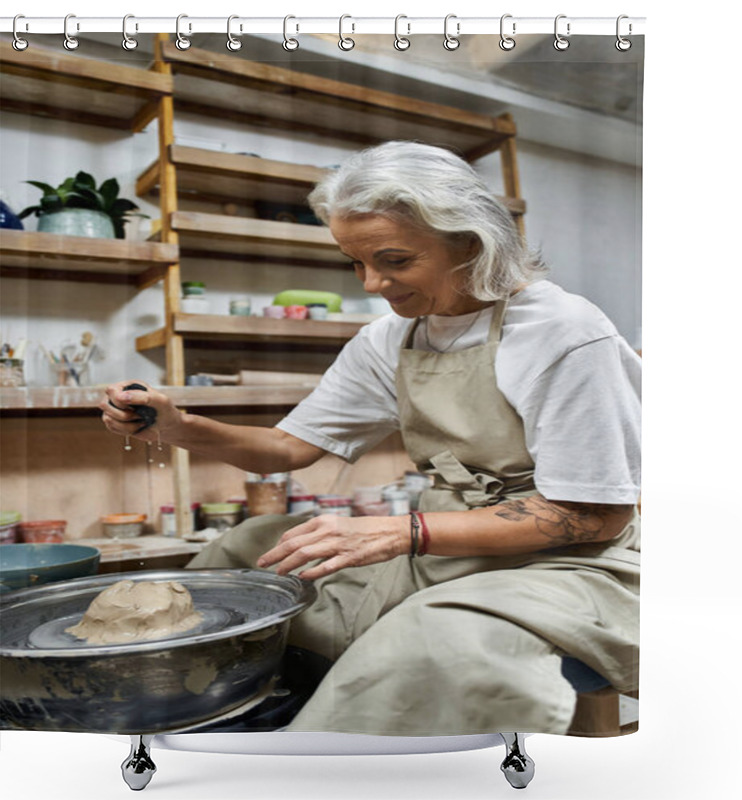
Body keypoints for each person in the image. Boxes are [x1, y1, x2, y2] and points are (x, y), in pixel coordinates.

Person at [100, 141, 641, 737]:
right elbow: (287, 449)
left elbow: (593, 515)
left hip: (571, 564)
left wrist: (401, 531)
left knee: (432, 641)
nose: (372, 282)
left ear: (471, 241)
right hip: (448, 545)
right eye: (355, 262)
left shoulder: (562, 333)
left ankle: (341, 762)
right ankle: (185, 717)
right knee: (249, 547)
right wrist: (180, 425)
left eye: (394, 260)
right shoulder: (391, 337)